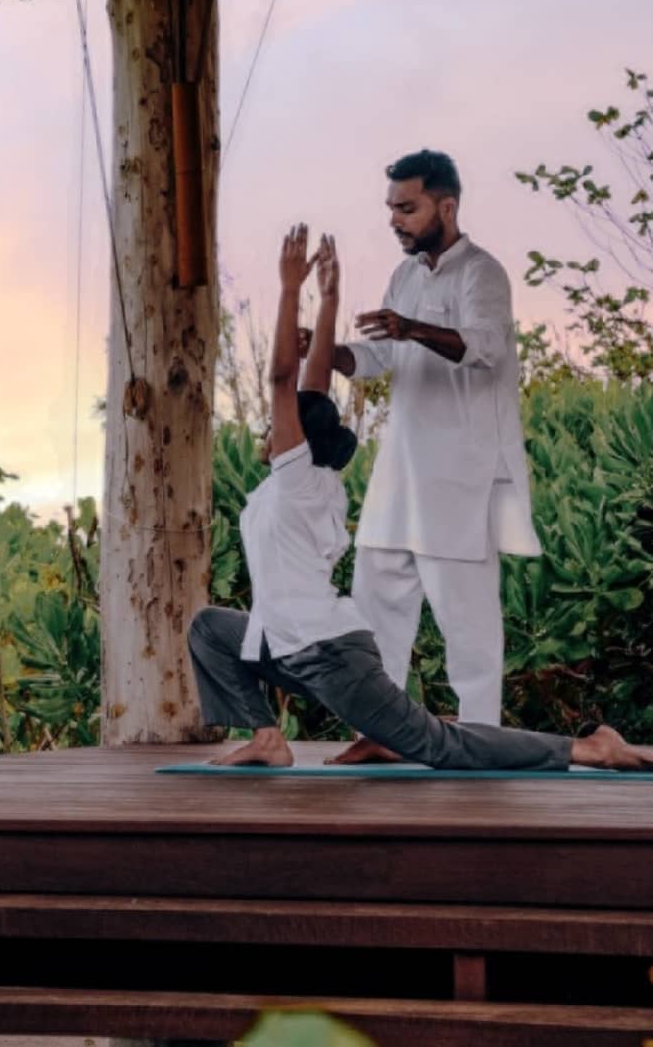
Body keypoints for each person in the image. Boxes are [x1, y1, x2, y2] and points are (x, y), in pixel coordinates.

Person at [187, 223, 652, 773]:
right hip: (284, 642)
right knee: (210, 629)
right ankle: (268, 738)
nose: (268, 431)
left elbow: (283, 379)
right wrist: (330, 298)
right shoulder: (297, 475)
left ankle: (588, 748)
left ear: (295, 440)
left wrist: (290, 290)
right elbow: (311, 386)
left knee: (440, 747)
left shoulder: (299, 479)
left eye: (277, 427)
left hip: (330, 656)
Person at [326, 150, 537, 754]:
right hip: (400, 478)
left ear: (446, 206)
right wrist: (326, 350)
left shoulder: (482, 272)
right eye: (391, 208)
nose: (396, 219)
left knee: (469, 631)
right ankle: (378, 734)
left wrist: (410, 328)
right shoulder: (406, 278)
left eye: (408, 208)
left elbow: (486, 347)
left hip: (461, 480)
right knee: (373, 617)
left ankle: (483, 745)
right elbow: (378, 358)